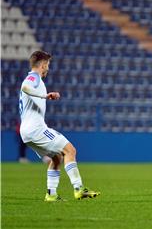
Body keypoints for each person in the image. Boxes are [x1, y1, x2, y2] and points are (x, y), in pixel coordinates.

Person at [19, 50, 100, 201]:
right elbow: (25, 86)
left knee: (56, 158)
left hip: (27, 132)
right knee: (70, 150)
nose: (48, 68)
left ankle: (51, 194)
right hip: (35, 129)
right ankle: (79, 188)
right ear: (43, 65)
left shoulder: (36, 79)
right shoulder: (33, 77)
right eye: (47, 64)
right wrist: (45, 95)